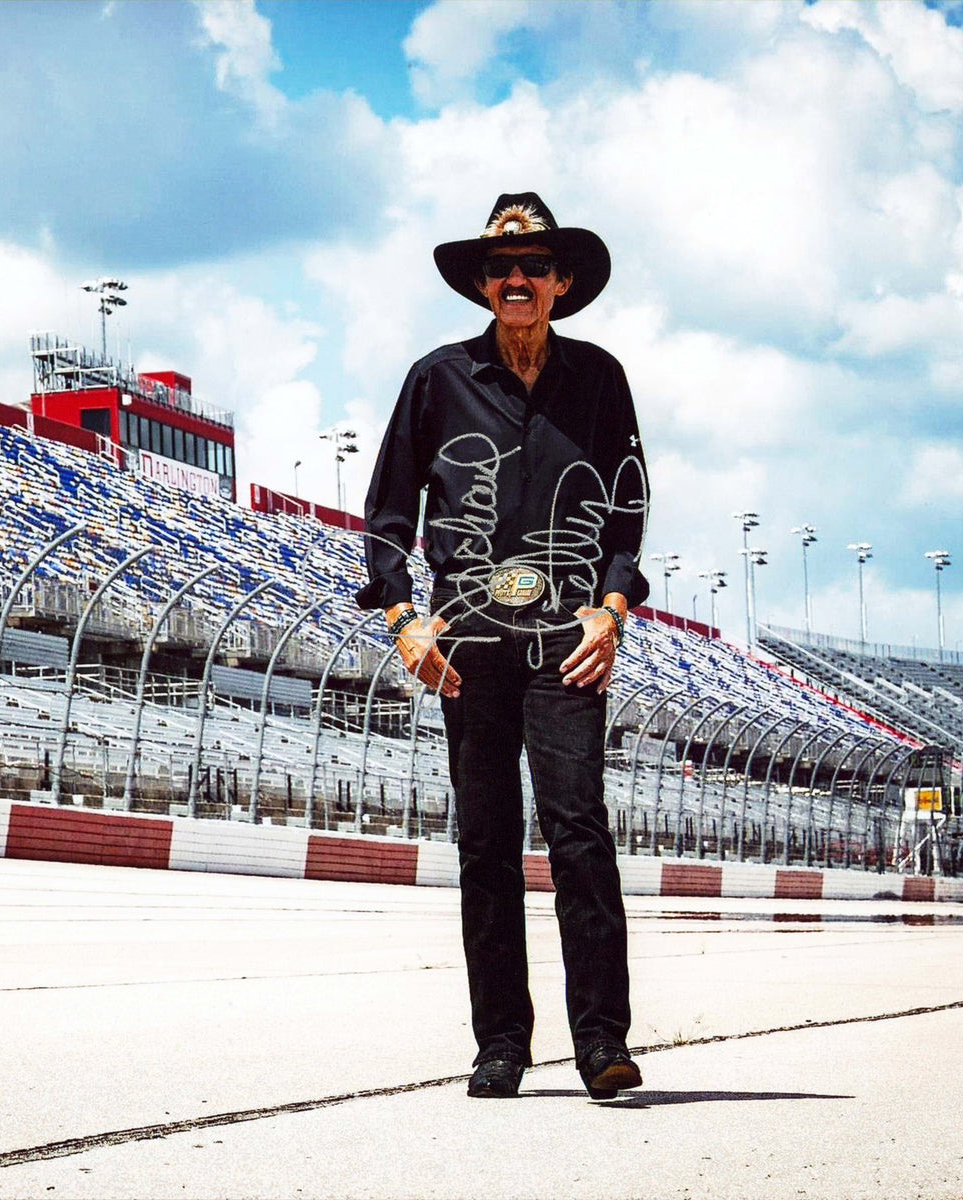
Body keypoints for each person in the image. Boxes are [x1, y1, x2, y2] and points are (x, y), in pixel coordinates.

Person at [355, 192, 649, 1100]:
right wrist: (403, 618)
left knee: (579, 834)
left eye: (533, 266)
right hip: (468, 647)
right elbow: (387, 512)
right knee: (485, 846)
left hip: (567, 643)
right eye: (500, 267)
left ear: (561, 281)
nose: (516, 278)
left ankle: (601, 1042)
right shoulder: (436, 379)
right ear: (483, 284)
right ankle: (501, 1046)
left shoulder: (600, 378)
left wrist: (611, 610)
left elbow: (628, 510)